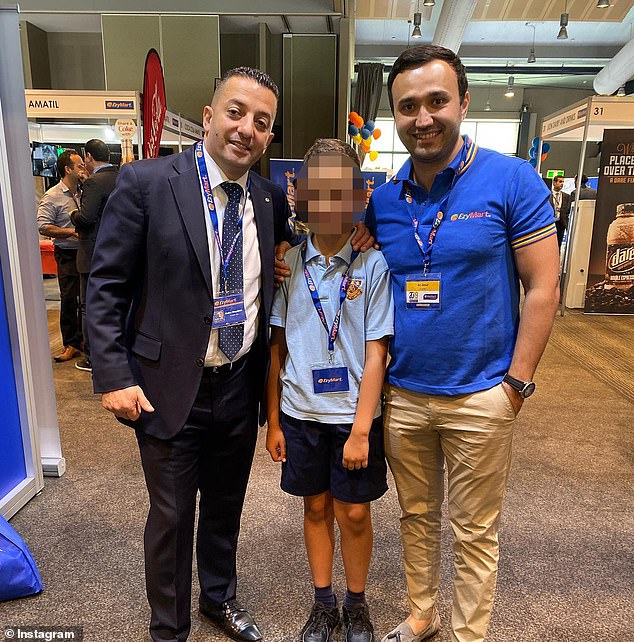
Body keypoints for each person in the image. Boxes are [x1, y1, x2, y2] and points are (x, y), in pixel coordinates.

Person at [87, 67, 372, 642]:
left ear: (270, 137)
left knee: (225, 505)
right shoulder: (146, 183)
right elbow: (106, 285)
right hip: (166, 384)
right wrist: (113, 374)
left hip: (239, 384)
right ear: (210, 114)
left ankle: (219, 599)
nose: (247, 129)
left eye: (262, 122)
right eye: (237, 112)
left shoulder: (267, 198)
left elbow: (321, 236)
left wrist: (367, 236)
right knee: (171, 517)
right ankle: (168, 629)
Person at [364, 45, 560, 642]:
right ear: (394, 116)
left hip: (483, 393)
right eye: (407, 107)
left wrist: (516, 384)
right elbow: (359, 273)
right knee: (416, 518)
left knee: (475, 529)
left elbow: (544, 285)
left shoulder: (511, 180)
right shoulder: (385, 199)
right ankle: (422, 612)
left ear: (463, 102)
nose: (422, 118)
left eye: (436, 101)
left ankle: (469, 633)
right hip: (405, 394)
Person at [266, 139, 393, 642]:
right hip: (301, 414)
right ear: (297, 196)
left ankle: (356, 603)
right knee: (314, 506)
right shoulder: (288, 265)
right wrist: (274, 421)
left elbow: (377, 352)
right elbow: (277, 348)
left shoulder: (372, 265)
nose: (327, 204)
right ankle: (323, 603)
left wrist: (362, 430)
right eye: (316, 192)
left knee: (354, 512)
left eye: (339, 192)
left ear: (359, 196)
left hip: (353, 417)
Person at [70, 138, 118, 373]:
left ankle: (91, 357)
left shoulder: (93, 183)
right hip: (119, 253)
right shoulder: (122, 177)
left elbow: (86, 218)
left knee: (89, 307)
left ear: (88, 157)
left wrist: (72, 214)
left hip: (92, 256)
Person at [37, 150, 86, 362]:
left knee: (84, 298)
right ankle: (70, 344)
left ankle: (82, 340)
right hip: (67, 253)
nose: (83, 169)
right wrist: (72, 232)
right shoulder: (53, 195)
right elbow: (43, 226)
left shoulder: (83, 192)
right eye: (79, 166)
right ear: (68, 169)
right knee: (69, 298)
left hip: (84, 251)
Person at [549, 175, 570, 246]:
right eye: (560, 181)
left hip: (561, 223)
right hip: (550, 222)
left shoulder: (566, 196)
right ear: (554, 183)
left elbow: (568, 210)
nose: (562, 184)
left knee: (559, 244)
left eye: (563, 182)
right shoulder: (548, 195)